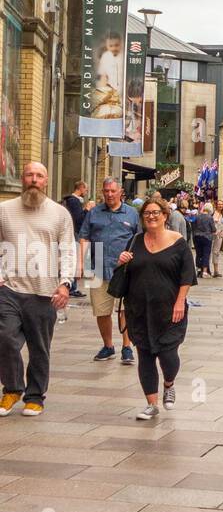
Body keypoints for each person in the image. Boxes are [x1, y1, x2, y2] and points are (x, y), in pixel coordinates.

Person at [109, 197, 196, 421]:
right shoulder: (135, 241)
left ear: (165, 215)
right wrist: (121, 261)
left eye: (156, 212)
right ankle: (151, 404)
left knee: (168, 355)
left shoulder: (178, 242)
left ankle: (169, 383)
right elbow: (125, 271)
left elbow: (187, 276)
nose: (151, 216)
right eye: (147, 213)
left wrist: (180, 302)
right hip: (138, 309)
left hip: (169, 309)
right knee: (145, 355)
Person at [0, 163, 76, 417]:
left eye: (39, 176)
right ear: (22, 179)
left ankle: (35, 396)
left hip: (45, 292)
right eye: (30, 175)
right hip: (9, 289)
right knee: (5, 339)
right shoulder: (4, 210)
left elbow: (67, 250)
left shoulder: (59, 214)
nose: (34, 179)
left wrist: (65, 283)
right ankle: (11, 389)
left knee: (39, 348)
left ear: (46, 181)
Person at [78, 177, 143, 366]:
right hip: (96, 262)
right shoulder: (94, 213)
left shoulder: (131, 213)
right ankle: (108, 346)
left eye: (112, 191)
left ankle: (127, 347)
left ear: (120, 191)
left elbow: (139, 240)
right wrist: (80, 262)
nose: (109, 194)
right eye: (106, 191)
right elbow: (84, 237)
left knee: (125, 309)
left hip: (124, 267)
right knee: (101, 310)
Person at [60, 180, 89, 297]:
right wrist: (87, 210)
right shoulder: (74, 201)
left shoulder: (69, 200)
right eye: (86, 189)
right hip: (74, 233)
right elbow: (78, 220)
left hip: (71, 232)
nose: (86, 192)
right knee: (75, 258)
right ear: (80, 188)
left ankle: (71, 286)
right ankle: (72, 288)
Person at [191, 203, 216, 278]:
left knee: (198, 254)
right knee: (206, 254)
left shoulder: (197, 216)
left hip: (196, 237)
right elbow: (213, 229)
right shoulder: (210, 217)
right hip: (207, 237)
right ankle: (204, 271)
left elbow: (193, 226)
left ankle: (198, 269)